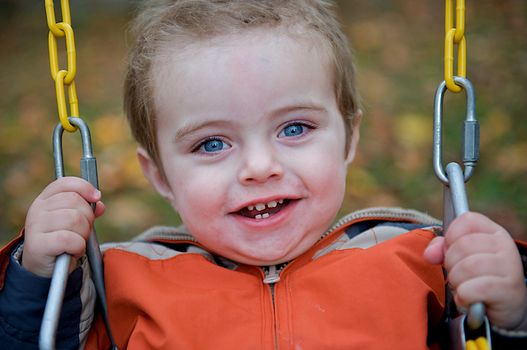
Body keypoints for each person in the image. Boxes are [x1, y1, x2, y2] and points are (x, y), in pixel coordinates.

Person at [1, 0, 526, 348]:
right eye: (212, 143)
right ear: (158, 174)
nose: (259, 167)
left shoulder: (423, 260)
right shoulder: (114, 284)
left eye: (294, 129)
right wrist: (39, 276)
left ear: (349, 138)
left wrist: (511, 314)